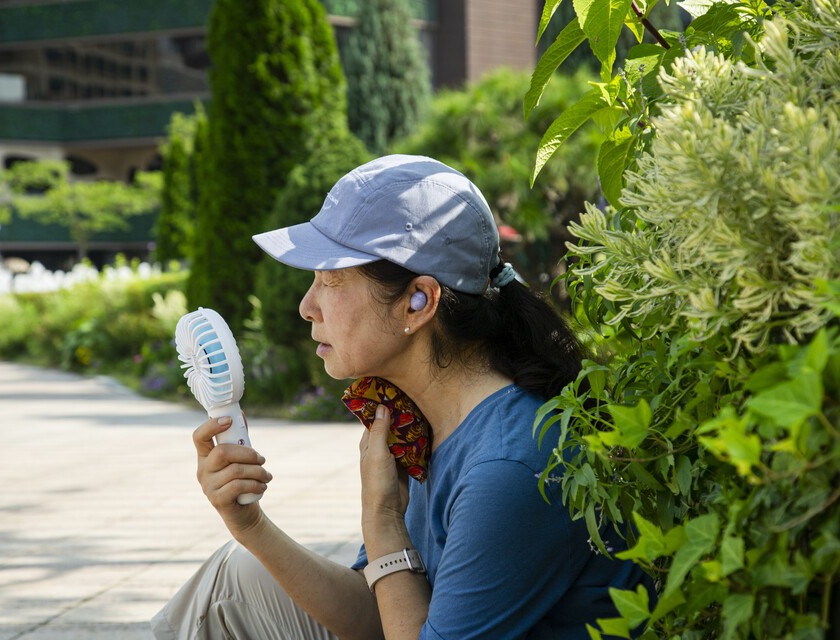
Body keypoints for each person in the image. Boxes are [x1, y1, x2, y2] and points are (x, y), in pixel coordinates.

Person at [152, 155, 650, 640]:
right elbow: (380, 614)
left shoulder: (509, 465)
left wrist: (383, 521)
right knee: (236, 578)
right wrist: (250, 524)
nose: (307, 306)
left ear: (420, 300)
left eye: (332, 279)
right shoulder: (427, 420)